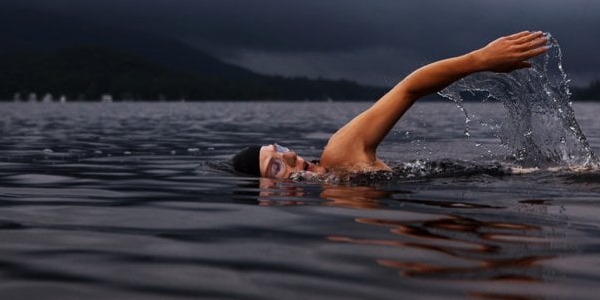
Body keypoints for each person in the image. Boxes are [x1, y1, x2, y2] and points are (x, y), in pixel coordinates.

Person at [232, 31, 550, 179]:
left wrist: (479, 60)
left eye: (280, 148)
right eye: (275, 166)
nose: (289, 155)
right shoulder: (335, 187)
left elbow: (408, 89)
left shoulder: (339, 156)